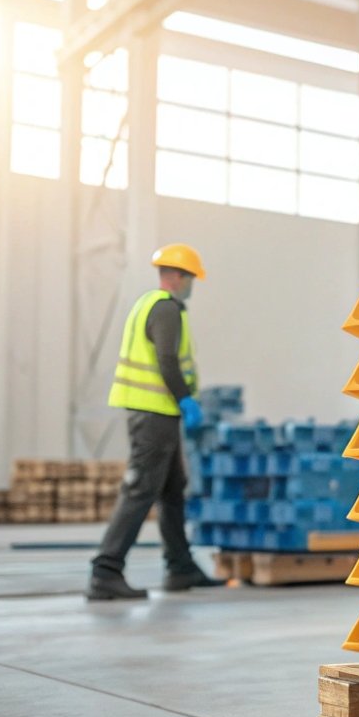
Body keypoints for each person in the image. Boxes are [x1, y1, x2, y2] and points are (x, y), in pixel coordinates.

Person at [87, 244, 225, 599]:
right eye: (191, 278)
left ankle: (180, 568)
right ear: (178, 277)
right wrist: (185, 399)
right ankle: (106, 570)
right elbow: (167, 359)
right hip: (154, 413)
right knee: (141, 488)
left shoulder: (147, 304)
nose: (193, 285)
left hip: (158, 413)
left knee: (172, 487)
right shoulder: (166, 309)